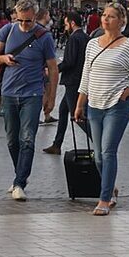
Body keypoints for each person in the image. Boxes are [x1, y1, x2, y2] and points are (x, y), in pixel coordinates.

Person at [74, 3, 129, 215]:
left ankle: (104, 199)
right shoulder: (92, 44)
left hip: (117, 105)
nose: (106, 19)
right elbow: (86, 75)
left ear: (121, 21)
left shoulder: (128, 45)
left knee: (108, 152)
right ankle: (110, 185)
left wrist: (127, 91)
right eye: (104, 15)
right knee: (98, 156)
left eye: (112, 16)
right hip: (94, 104)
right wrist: (80, 103)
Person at [0, 0, 59, 201]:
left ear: (35, 17)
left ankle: (19, 182)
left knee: (27, 139)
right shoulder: (8, 31)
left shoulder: (44, 37)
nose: (24, 25)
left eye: (28, 21)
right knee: (12, 140)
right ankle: (20, 175)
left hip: (33, 94)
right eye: (20, 20)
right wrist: (3, 58)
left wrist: (51, 98)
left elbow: (53, 68)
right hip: (9, 93)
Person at [43, 11, 89, 154]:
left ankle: (99, 140)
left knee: (76, 115)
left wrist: (54, 69)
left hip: (73, 81)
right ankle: (57, 144)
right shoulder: (85, 37)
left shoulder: (74, 38)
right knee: (63, 111)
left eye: (66, 23)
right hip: (79, 78)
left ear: (72, 23)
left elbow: (69, 61)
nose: (65, 26)